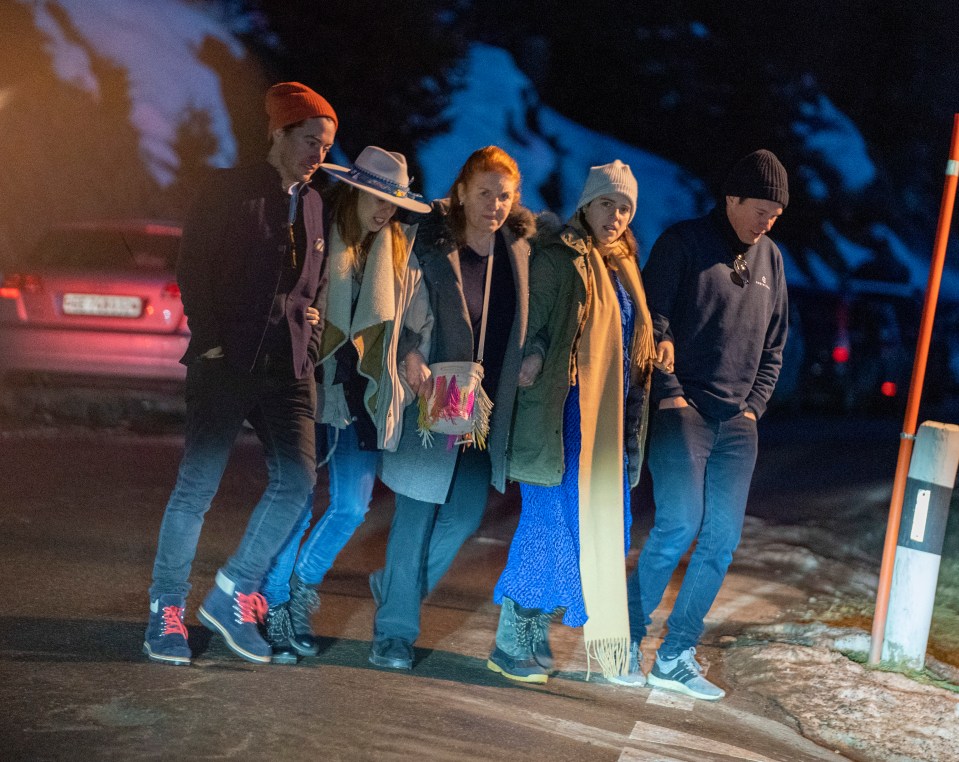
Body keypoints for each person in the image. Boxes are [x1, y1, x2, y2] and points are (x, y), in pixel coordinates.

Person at [142, 82, 337, 666]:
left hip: (288, 365)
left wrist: (313, 320)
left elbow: (313, 278)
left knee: (299, 480)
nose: (318, 154)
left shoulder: (314, 202)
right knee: (196, 489)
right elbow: (191, 266)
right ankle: (166, 611)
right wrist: (209, 342)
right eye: (309, 140)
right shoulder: (227, 190)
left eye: (325, 145)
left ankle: (232, 592)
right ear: (278, 135)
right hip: (228, 359)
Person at [489, 161, 664, 685]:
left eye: (625, 207)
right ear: (587, 204)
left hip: (605, 426)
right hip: (560, 414)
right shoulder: (561, 255)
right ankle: (508, 640)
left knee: (590, 531)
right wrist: (534, 354)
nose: (615, 215)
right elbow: (534, 321)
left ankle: (534, 628)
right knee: (550, 526)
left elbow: (633, 341)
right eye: (607, 203)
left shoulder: (624, 267)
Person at [625, 149, 790, 700]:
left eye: (775, 213)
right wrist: (668, 395)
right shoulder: (684, 242)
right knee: (680, 523)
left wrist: (754, 406)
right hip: (682, 409)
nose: (766, 221)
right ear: (732, 199)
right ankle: (624, 636)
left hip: (737, 419)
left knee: (722, 538)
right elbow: (653, 316)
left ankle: (674, 655)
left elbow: (775, 345)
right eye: (759, 209)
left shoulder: (772, 261)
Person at [259, 146, 433, 663]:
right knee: (296, 499)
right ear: (354, 189)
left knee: (352, 506)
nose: (385, 209)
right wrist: (300, 315)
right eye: (377, 196)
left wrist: (413, 353)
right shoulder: (318, 229)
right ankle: (276, 605)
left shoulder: (400, 249)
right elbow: (284, 288)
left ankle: (295, 590)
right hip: (312, 381)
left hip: (364, 393)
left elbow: (413, 319)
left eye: (393, 200)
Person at [368, 146, 533, 670]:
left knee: (462, 515)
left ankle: (395, 587)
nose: (494, 204)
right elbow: (400, 307)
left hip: (487, 403)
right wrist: (409, 351)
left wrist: (536, 354)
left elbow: (536, 321)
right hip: (439, 386)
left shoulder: (519, 251)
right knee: (416, 512)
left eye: (503, 196)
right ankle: (394, 633)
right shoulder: (430, 241)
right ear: (461, 191)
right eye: (484, 192)